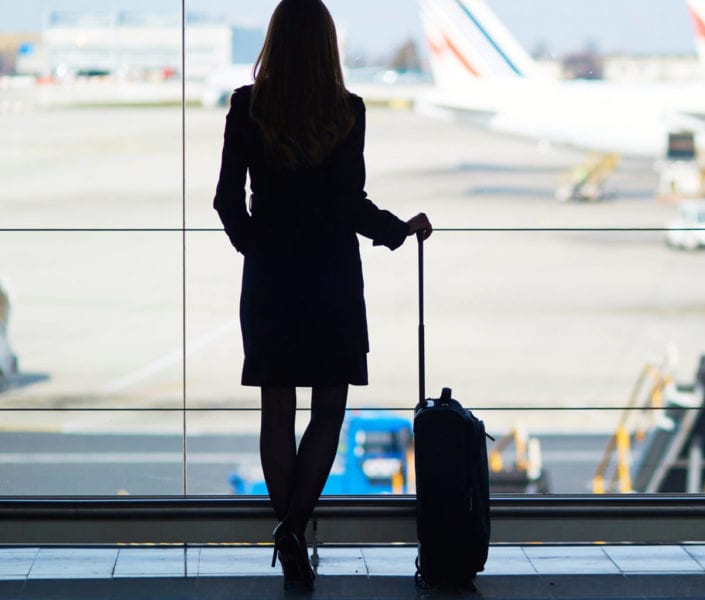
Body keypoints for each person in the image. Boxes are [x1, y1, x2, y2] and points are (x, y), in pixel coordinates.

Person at [212, 0, 432, 591]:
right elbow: (348, 204)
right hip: (331, 277)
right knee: (327, 411)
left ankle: (288, 534)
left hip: (272, 280)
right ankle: (292, 530)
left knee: (276, 409)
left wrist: (258, 245)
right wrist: (398, 229)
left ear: (275, 42)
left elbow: (227, 202)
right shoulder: (347, 112)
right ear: (327, 45)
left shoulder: (246, 107)